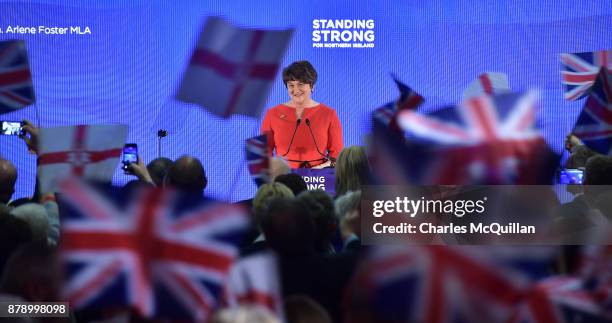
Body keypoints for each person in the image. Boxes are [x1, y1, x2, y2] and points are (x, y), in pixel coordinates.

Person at [261, 61, 343, 169]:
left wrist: (319, 169)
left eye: (300, 84)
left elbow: (337, 156)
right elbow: (264, 154)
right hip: (283, 178)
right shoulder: (273, 114)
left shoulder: (328, 114)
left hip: (318, 179)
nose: (295, 90)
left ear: (312, 86)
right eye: (291, 85)